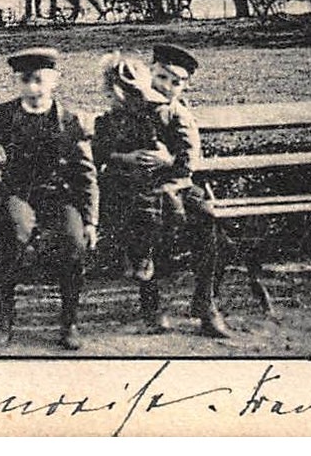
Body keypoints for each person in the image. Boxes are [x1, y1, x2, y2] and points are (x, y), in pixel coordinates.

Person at [0, 47, 99, 350]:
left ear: (55, 81)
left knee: (74, 240)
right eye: (25, 81)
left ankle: (69, 323)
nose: (33, 88)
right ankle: (4, 320)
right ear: (18, 82)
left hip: (58, 196)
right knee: (15, 233)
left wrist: (90, 220)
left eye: (39, 80)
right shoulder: (3, 115)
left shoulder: (69, 120)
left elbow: (85, 173)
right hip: (17, 192)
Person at [90, 48, 229, 338]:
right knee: (141, 218)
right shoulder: (126, 110)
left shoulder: (178, 114)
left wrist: (167, 161)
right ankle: (151, 303)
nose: (166, 86)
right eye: (161, 77)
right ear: (149, 75)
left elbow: (188, 162)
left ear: (184, 86)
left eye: (175, 82)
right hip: (134, 188)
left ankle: (206, 302)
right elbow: (100, 151)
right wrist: (126, 158)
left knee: (204, 217)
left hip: (175, 185)